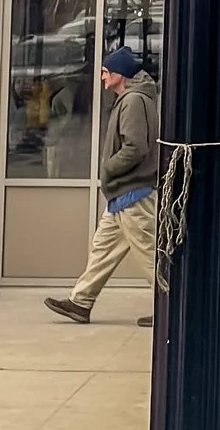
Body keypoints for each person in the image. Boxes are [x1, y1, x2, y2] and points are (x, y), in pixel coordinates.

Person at [44, 45, 159, 324]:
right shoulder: (130, 99)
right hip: (122, 192)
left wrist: (108, 168)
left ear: (120, 74)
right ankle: (80, 303)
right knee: (102, 250)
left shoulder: (134, 102)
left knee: (149, 253)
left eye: (106, 72)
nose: (102, 78)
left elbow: (136, 148)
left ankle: (174, 306)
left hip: (133, 192)